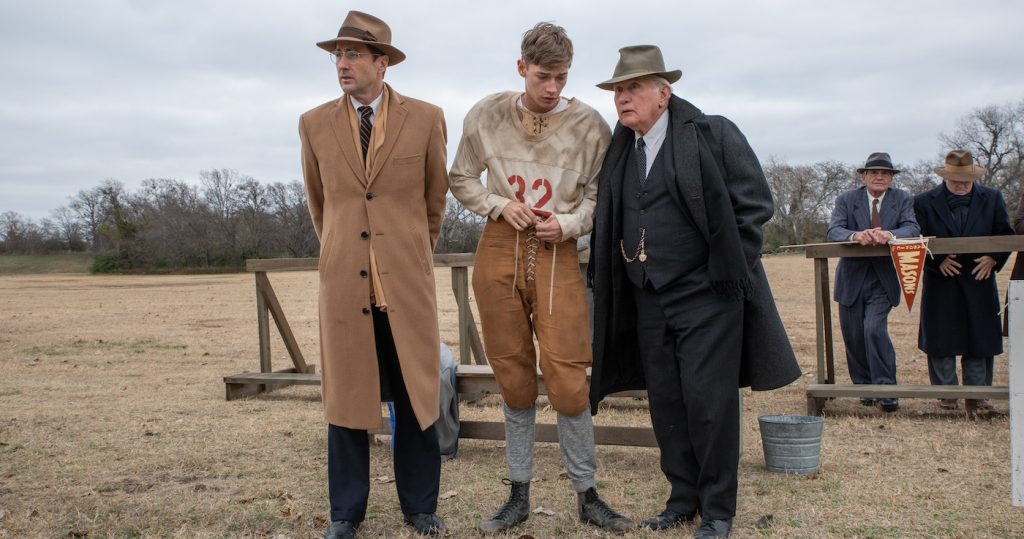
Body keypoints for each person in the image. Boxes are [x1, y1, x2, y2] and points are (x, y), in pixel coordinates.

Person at [587, 45, 800, 539]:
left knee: (710, 401)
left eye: (633, 88)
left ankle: (718, 509)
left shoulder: (713, 133)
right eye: (618, 90)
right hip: (646, 295)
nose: (622, 99)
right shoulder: (622, 149)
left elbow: (754, 207)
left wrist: (727, 271)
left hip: (708, 296)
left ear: (664, 92)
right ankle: (682, 499)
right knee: (666, 401)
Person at [448, 22, 631, 534]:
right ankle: (518, 493)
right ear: (521, 68)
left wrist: (569, 223)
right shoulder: (486, 114)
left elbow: (600, 196)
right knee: (512, 374)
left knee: (570, 377)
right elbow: (460, 177)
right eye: (543, 76)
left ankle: (587, 494)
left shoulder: (592, 126)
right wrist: (500, 204)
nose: (552, 87)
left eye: (562, 77)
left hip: (559, 254)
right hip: (500, 247)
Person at [299, 11, 449, 539]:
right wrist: (347, 256)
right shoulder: (313, 123)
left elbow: (435, 203)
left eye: (354, 54)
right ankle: (346, 514)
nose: (342, 63)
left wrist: (403, 253)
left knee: (416, 395)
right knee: (346, 399)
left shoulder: (427, 118)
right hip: (344, 283)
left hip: (405, 284)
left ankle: (420, 507)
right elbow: (321, 208)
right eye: (338, 55)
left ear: (382, 63)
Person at [914, 149, 1013, 413]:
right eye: (956, 181)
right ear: (945, 178)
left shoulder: (992, 198)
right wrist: (937, 262)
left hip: (978, 279)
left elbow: (1005, 233)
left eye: (966, 182)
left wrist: (993, 258)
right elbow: (915, 240)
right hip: (942, 281)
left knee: (980, 336)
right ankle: (946, 394)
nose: (961, 186)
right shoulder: (923, 202)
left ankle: (979, 394)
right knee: (941, 336)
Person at [826, 153, 920, 412]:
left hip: (884, 278)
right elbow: (834, 230)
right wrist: (857, 235)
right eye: (874, 173)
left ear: (891, 178)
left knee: (874, 329)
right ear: (863, 176)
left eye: (885, 173)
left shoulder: (902, 199)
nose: (880, 177)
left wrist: (889, 234)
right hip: (852, 278)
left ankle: (887, 390)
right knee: (854, 335)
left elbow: (912, 228)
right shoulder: (846, 200)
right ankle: (865, 388)